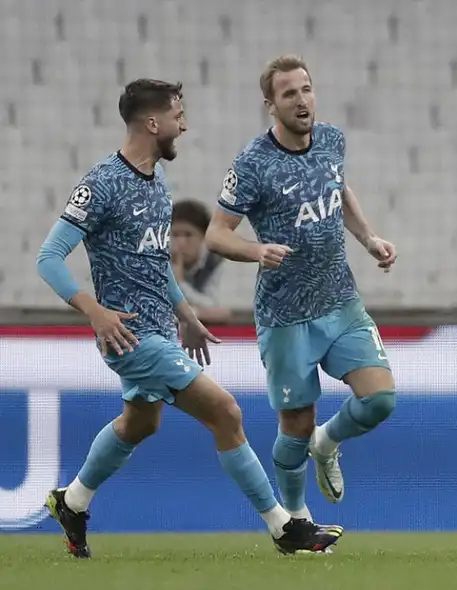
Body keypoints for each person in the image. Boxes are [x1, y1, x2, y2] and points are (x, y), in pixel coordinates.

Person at [35, 79, 343, 558]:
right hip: (130, 336)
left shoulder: (158, 184)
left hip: (161, 330)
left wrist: (187, 315)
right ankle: (286, 529)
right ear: (152, 122)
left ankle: (72, 502)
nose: (185, 123)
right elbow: (49, 257)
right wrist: (95, 312)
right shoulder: (102, 184)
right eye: (178, 114)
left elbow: (157, 266)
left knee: (140, 423)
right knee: (225, 412)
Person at [205, 55, 398, 520]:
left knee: (380, 400)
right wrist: (256, 251)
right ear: (271, 104)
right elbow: (216, 233)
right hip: (286, 316)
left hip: (339, 300)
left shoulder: (331, 139)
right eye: (289, 93)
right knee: (294, 425)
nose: (301, 100)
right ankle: (294, 517)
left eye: (306, 89)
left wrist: (369, 237)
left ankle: (327, 443)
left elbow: (339, 189)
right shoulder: (253, 163)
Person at [171, 199, 232, 324]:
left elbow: (219, 310)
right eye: (175, 235)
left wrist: (180, 283)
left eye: (188, 235)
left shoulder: (216, 261)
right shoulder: (157, 261)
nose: (181, 243)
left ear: (203, 237)